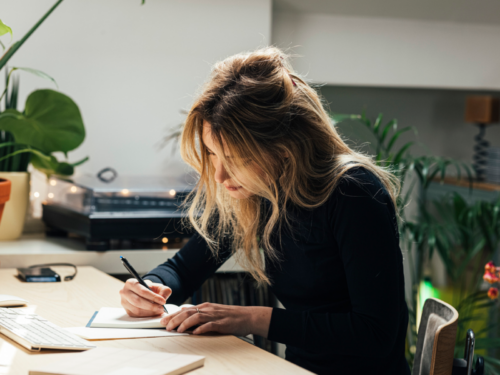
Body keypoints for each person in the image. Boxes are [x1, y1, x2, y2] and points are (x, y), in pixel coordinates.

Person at [119, 46, 411, 374]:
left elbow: (375, 335)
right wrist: (151, 286)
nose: (219, 176)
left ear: (285, 149)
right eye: (214, 155)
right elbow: (185, 269)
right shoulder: (258, 191)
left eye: (237, 159)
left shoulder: (353, 192)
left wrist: (251, 318)